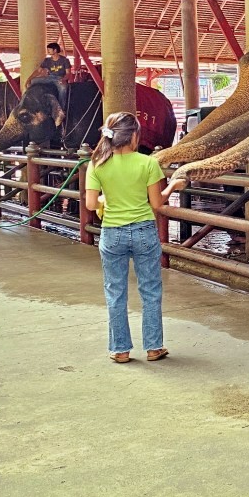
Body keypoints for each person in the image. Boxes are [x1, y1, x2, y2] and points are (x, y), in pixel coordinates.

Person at [84, 112, 168, 364]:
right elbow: (156, 202)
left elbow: (90, 204)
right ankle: (154, 347)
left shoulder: (96, 164)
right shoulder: (148, 163)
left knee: (115, 291)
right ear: (134, 136)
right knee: (150, 290)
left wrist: (105, 200)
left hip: (112, 233)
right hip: (143, 231)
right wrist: (173, 186)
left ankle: (120, 349)